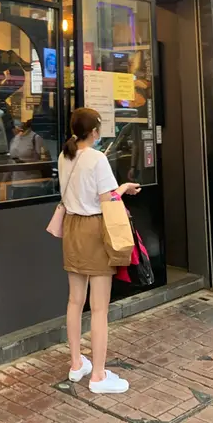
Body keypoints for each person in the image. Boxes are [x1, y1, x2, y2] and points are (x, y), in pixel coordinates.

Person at [60, 107, 140, 394]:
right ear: (94, 131)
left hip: (71, 228)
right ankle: (98, 375)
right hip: (94, 229)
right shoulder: (97, 159)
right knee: (99, 308)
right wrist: (125, 187)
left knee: (74, 301)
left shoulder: (65, 156)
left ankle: (76, 364)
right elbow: (109, 199)